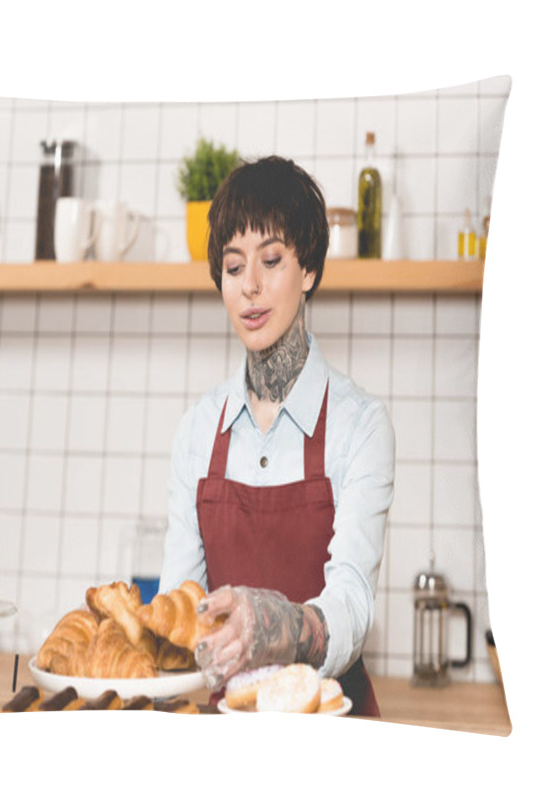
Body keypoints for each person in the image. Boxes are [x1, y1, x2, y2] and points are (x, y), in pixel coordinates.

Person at [158, 156, 395, 716]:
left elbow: (352, 608)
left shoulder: (360, 426)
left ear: (308, 268)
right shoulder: (197, 430)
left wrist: (273, 625)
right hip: (228, 725)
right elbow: (179, 610)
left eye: (272, 260)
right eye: (234, 267)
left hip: (333, 727)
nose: (251, 288)